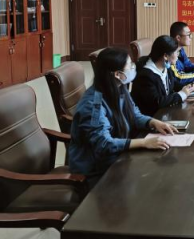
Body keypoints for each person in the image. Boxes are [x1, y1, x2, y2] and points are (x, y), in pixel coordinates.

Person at [69, 47, 177, 187]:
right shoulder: (93, 104)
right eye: (130, 66)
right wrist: (144, 143)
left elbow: (134, 114)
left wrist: (153, 122)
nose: (133, 68)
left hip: (118, 157)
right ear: (118, 74)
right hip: (97, 171)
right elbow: (103, 144)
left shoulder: (119, 88)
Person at [131, 35, 194, 116]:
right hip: (151, 118)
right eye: (176, 52)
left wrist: (186, 88)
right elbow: (157, 102)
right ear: (165, 56)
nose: (178, 55)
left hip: (164, 113)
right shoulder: (145, 76)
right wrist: (182, 94)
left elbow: (173, 83)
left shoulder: (165, 66)